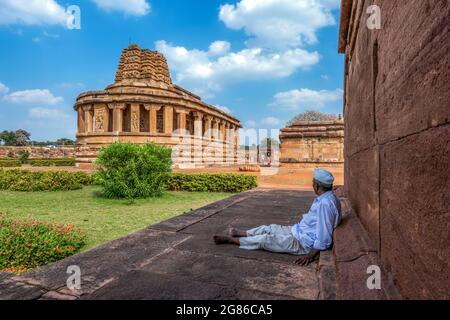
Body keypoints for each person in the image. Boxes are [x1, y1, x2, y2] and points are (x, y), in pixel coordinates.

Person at [213, 168, 341, 266]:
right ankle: (243, 233)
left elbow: (324, 236)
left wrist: (310, 255)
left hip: (303, 243)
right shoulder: (327, 198)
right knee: (269, 228)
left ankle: (232, 240)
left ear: (317, 186)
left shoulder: (325, 204)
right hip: (298, 231)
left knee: (265, 240)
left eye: (313, 183)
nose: (312, 185)